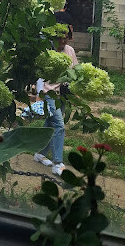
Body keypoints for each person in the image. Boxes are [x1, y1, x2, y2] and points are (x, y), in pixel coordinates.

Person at [33, 33, 78, 176]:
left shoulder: (70, 51)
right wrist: (39, 95)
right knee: (59, 125)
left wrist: (76, 91)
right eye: (60, 37)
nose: (63, 40)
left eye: (66, 37)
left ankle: (40, 154)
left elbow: (75, 71)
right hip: (49, 94)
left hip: (63, 94)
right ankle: (57, 163)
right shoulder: (47, 51)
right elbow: (39, 75)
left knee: (50, 124)